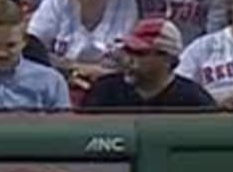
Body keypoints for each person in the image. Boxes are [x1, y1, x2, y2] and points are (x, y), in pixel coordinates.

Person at [82, 16, 218, 107]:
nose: (129, 59)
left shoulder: (193, 100)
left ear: (167, 59)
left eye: (139, 53)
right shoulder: (105, 91)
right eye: (127, 50)